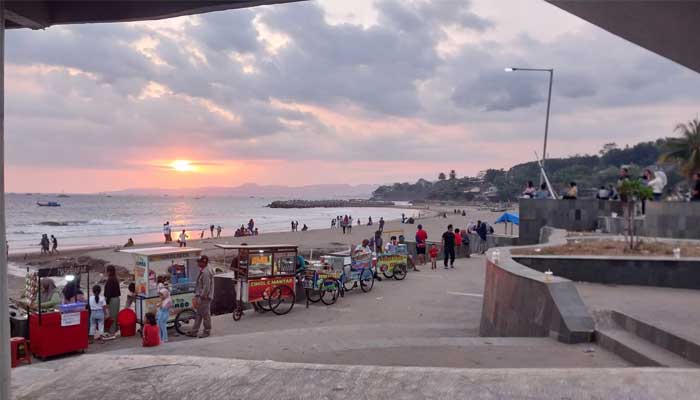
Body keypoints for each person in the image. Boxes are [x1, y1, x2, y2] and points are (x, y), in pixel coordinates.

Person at [188, 255, 214, 338]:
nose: (198, 263)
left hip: (204, 297)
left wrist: (202, 296)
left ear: (203, 262)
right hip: (201, 296)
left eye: (199, 262)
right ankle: (194, 331)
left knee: (205, 314)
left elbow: (207, 286)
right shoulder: (204, 270)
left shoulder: (206, 272)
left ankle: (207, 331)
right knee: (199, 314)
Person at [104, 265, 121, 336]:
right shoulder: (115, 278)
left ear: (108, 271)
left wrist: (107, 302)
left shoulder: (110, 280)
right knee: (115, 315)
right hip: (116, 299)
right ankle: (114, 329)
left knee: (112, 316)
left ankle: (112, 331)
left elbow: (108, 293)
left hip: (112, 300)